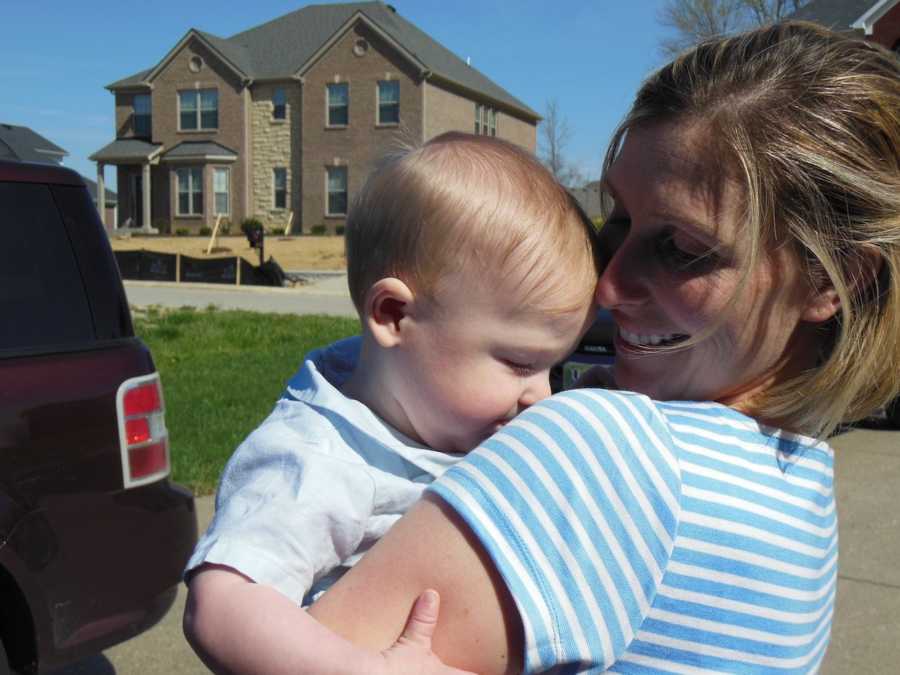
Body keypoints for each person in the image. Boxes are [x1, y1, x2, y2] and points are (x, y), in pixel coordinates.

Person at [295, 20, 900, 674]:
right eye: (615, 222)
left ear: (831, 278)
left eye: (683, 248)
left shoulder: (611, 451)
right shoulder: (799, 479)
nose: (609, 285)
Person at [182, 132, 600, 673]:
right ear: (394, 316)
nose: (541, 396)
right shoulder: (320, 459)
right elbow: (221, 606)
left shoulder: (451, 420)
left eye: (554, 368)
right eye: (521, 363)